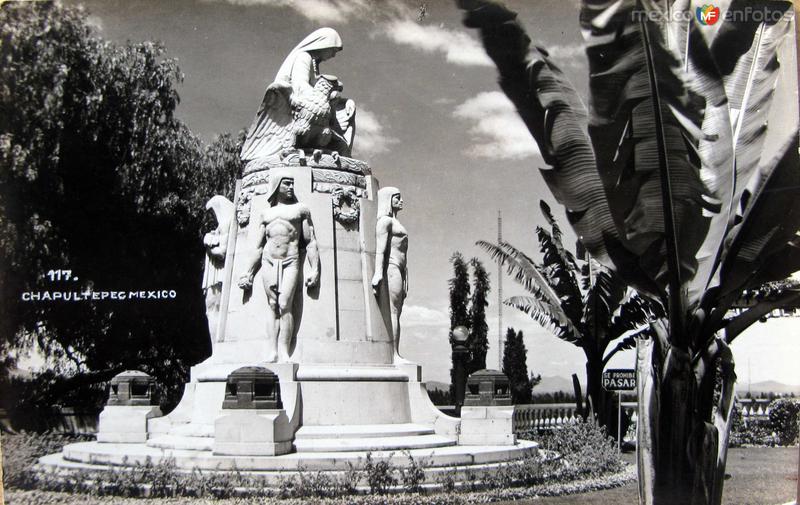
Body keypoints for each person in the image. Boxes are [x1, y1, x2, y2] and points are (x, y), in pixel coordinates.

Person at [238, 168, 320, 362]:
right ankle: (272, 350)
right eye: (286, 183)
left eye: (292, 183)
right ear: (277, 186)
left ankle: (284, 351)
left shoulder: (301, 210)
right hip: (268, 260)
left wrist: (314, 269)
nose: (291, 186)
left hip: (291, 260)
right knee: (273, 304)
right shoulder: (266, 214)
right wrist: (248, 273)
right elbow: (258, 247)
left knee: (285, 304)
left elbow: (310, 241)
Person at [240, 27, 354, 164]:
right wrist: (326, 98)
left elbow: (320, 89)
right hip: (300, 112)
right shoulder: (303, 57)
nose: (333, 55)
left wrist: (344, 102)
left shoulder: (313, 63)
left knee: (341, 130)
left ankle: (323, 151)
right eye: (333, 50)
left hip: (315, 113)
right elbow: (301, 86)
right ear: (324, 45)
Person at [371, 187, 409, 363]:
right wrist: (378, 272)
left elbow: (405, 255)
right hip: (391, 268)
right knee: (393, 312)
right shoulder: (385, 222)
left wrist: (407, 278)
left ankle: (396, 353)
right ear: (388, 200)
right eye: (397, 198)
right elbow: (381, 249)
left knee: (397, 313)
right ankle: (394, 355)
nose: (401, 201)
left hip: (400, 270)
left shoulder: (396, 222)